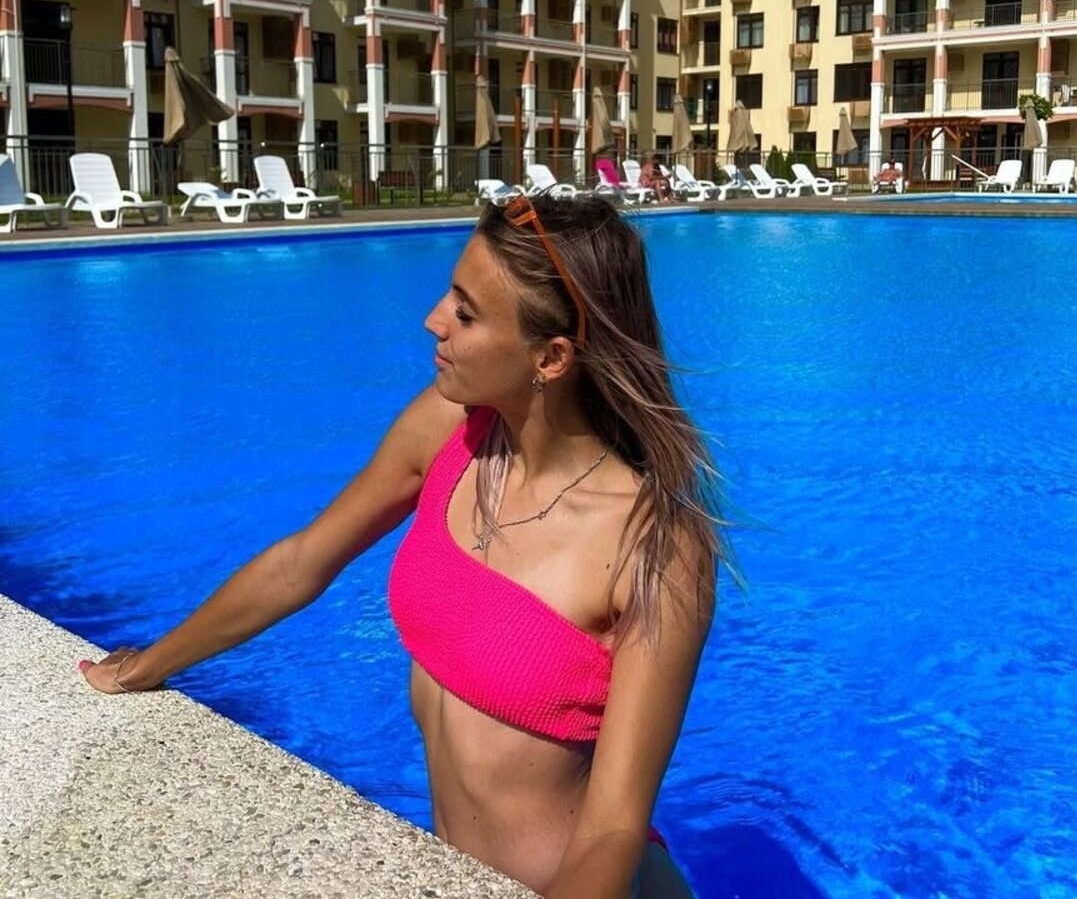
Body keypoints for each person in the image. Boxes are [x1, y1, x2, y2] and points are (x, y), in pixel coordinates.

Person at [80, 195, 736, 898]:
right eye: (451, 294)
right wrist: (146, 666)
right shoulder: (448, 432)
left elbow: (611, 831)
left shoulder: (653, 547)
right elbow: (301, 562)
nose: (433, 319)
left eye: (466, 313)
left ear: (550, 358)